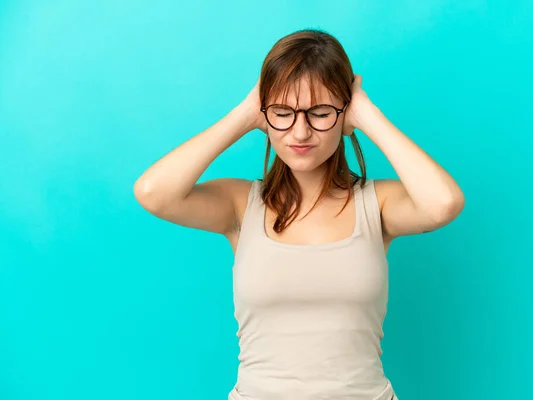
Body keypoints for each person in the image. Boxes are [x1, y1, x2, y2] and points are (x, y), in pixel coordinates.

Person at [134, 28, 464, 400]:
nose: (300, 131)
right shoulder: (240, 204)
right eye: (282, 113)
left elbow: (444, 203)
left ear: (345, 112)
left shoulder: (378, 205)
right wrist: (245, 114)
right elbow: (152, 193)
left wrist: (368, 116)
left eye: (321, 112)